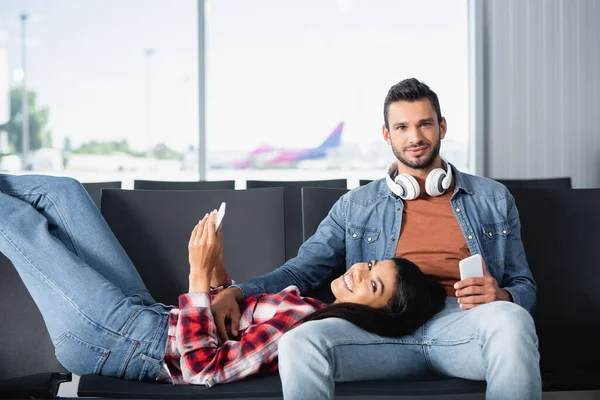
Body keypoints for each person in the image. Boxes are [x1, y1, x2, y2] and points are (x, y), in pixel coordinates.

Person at [211, 78, 541, 400]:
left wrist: (503, 296)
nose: (415, 137)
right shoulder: (356, 206)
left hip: (461, 326)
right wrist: (238, 291)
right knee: (299, 341)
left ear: (442, 126)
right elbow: (300, 272)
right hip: (379, 329)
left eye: (425, 124)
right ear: (387, 134)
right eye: (402, 127)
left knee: (511, 320)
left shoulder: (493, 198)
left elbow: (523, 282)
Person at [0, 174, 446, 387]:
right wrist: (219, 275)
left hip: (123, 341)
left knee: (18, 221)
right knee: (61, 192)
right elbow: (228, 333)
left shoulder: (309, 332)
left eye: (371, 284)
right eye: (370, 266)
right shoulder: (313, 308)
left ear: (379, 317)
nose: (358, 270)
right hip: (149, 319)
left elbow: (201, 369)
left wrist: (197, 276)